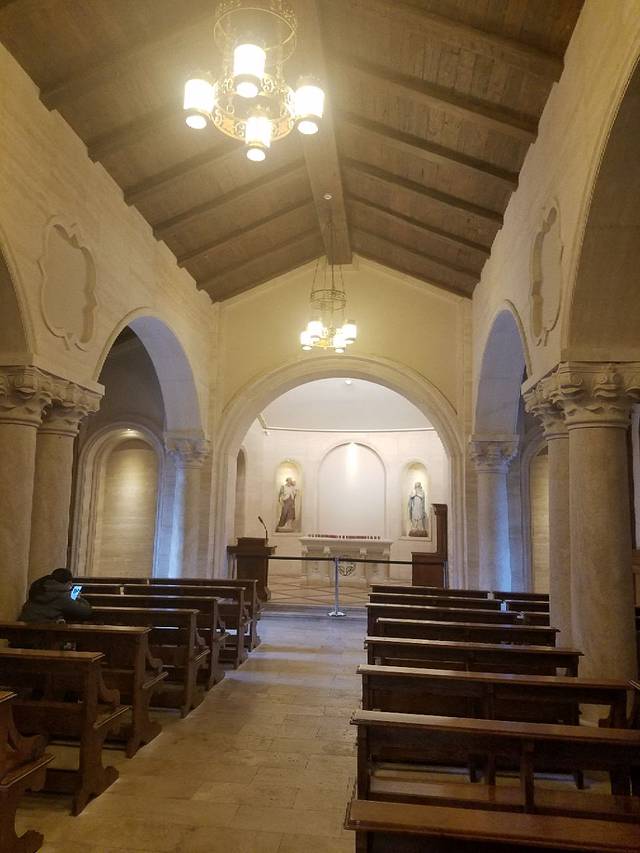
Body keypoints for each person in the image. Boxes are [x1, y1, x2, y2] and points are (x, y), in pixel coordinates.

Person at [19, 568, 92, 622]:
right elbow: (85, 612)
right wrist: (78, 598)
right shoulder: (63, 596)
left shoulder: (39, 588)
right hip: (45, 633)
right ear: (69, 583)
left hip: (23, 628)